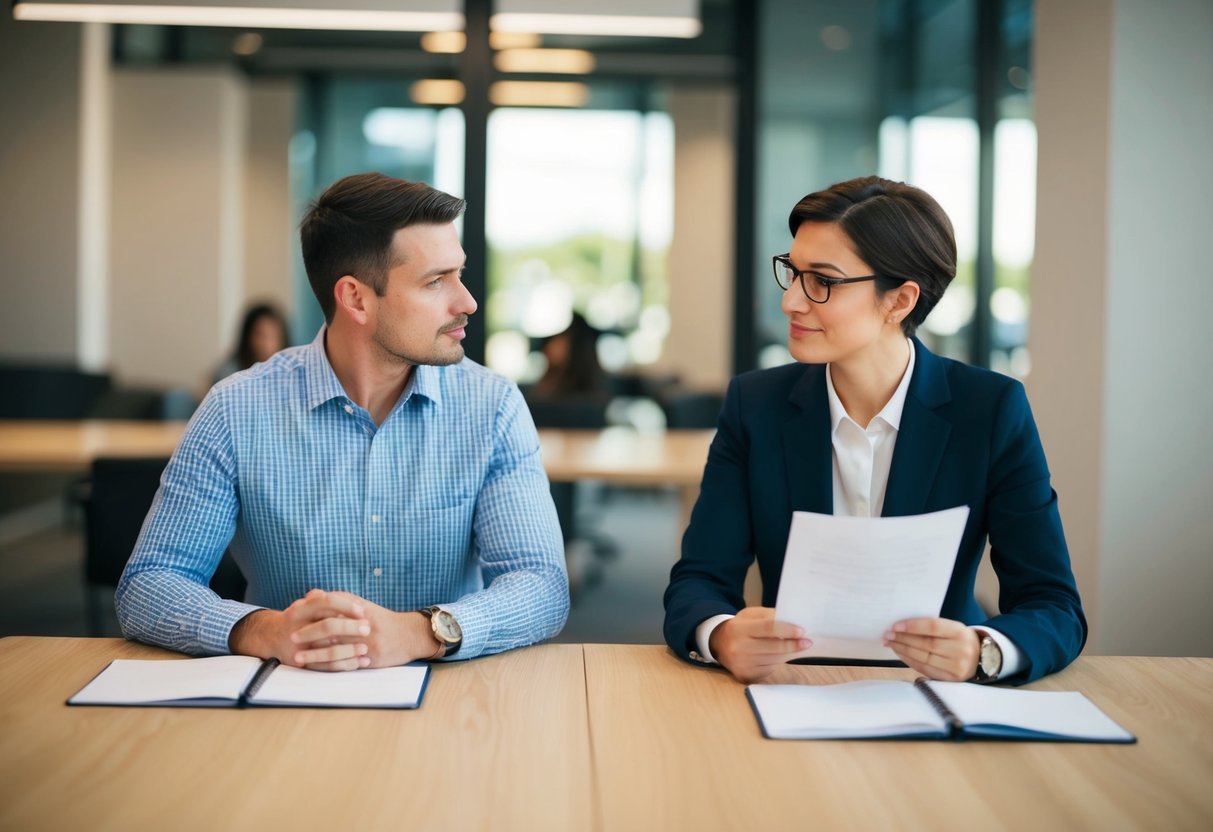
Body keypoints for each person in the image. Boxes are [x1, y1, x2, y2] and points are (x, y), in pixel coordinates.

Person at [117, 172, 569, 670]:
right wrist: (263, 629)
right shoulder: (236, 410)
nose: (467, 302)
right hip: (290, 692)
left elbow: (541, 586)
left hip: (449, 706)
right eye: (436, 281)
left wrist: (420, 632)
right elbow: (149, 584)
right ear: (355, 298)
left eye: (458, 274)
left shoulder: (493, 407)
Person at [663, 176, 1085, 685]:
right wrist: (722, 634)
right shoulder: (755, 406)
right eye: (793, 274)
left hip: (942, 691)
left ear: (899, 301)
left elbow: (1054, 604)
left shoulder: (990, 409)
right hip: (792, 688)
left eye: (821, 281)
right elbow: (699, 581)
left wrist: (983, 650)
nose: (791, 302)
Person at [212, 303, 290, 384]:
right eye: (261, 335)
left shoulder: (290, 370)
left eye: (273, 335)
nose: (267, 344)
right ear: (248, 337)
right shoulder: (229, 372)